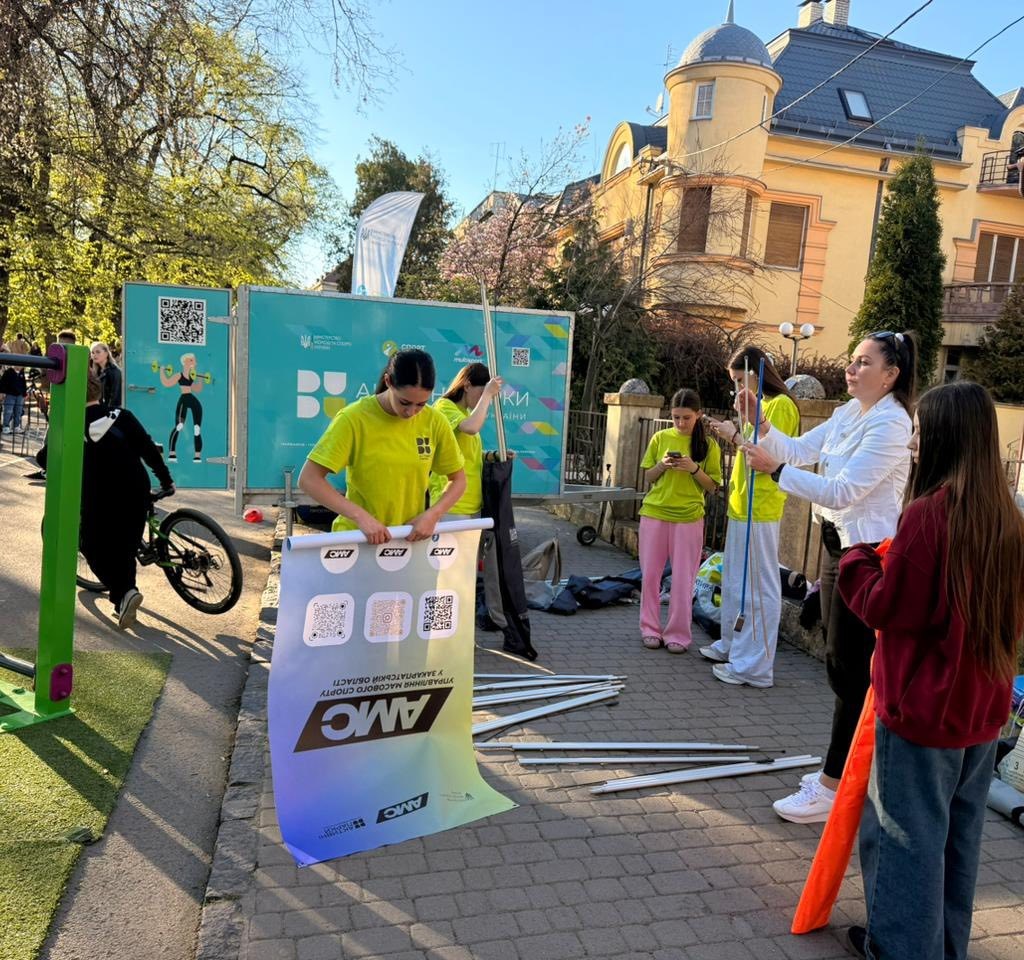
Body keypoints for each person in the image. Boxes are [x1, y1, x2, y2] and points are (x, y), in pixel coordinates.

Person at [836, 381, 1024, 960]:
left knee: (903, 840)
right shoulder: (1008, 518)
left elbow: (888, 608)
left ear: (945, 436)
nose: (913, 442)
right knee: (957, 843)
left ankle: (898, 948)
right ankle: (942, 947)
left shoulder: (928, 515)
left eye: (920, 432)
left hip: (922, 712)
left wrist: (856, 560)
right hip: (982, 711)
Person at [740, 331, 916, 823]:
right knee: (842, 666)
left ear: (891, 375)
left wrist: (775, 471)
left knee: (851, 670)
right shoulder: (847, 413)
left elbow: (842, 491)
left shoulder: (892, 424)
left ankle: (834, 784)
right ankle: (845, 775)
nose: (851, 369)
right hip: (839, 551)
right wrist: (760, 422)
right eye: (851, 360)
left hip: (868, 557)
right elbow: (798, 451)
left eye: (863, 362)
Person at [703, 346, 800, 687]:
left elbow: (767, 455)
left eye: (741, 380)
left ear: (758, 374)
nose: (738, 389)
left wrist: (733, 435)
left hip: (761, 507)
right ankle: (733, 646)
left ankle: (754, 666)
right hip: (742, 505)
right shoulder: (757, 406)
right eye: (734, 382)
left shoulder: (780, 405)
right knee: (735, 583)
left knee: (758, 587)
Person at [298, 348, 466, 542]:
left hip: (406, 540)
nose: (411, 412)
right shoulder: (353, 418)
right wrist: (361, 517)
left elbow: (458, 480)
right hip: (357, 539)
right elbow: (309, 479)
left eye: (421, 404)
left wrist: (433, 514)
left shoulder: (435, 421)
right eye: (404, 402)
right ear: (388, 382)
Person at [80, 374, 175, 629]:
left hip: (100, 494)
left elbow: (46, 457)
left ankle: (124, 593)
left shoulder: (71, 424)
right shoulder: (122, 415)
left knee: (89, 544)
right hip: (135, 486)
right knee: (125, 546)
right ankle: (124, 599)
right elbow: (148, 449)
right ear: (98, 391)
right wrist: (166, 480)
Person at [637, 388, 723, 653]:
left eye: (686, 417)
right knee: (650, 577)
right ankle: (649, 629)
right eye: (675, 417)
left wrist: (693, 469)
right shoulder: (660, 437)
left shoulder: (709, 446)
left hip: (689, 518)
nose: (681, 423)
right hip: (654, 514)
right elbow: (648, 477)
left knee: (684, 581)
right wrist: (662, 465)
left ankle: (678, 634)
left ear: (698, 415)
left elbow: (713, 487)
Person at [428, 362, 504, 518]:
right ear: (467, 386)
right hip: (451, 504)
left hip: (471, 504)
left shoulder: (466, 414)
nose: (484, 399)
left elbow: (467, 453)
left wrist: (493, 455)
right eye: (481, 392)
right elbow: (471, 428)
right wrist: (487, 394)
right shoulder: (444, 406)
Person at [160, 352, 205, 462]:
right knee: (179, 426)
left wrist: (200, 379)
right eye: (192, 360)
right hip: (184, 399)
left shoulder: (192, 376)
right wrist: (162, 371)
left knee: (197, 428)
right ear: (185, 362)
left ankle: (197, 455)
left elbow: (197, 389)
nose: (195, 363)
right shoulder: (179, 375)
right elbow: (167, 383)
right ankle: (172, 453)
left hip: (192, 399)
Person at [1, 338, 30, 434]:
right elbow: (3, 383)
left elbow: (23, 384)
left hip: (20, 395)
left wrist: (25, 393)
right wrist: (2, 393)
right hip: (10, 394)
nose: (20, 367)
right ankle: (6, 426)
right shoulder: (9, 372)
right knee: (8, 411)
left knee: (18, 411)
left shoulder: (21, 373)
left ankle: (16, 426)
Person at [90, 341, 122, 409]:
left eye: (98, 352)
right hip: (99, 409)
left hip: (109, 411)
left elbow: (115, 397)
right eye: (92, 352)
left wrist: (107, 411)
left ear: (106, 353)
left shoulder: (114, 371)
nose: (94, 355)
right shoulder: (96, 371)